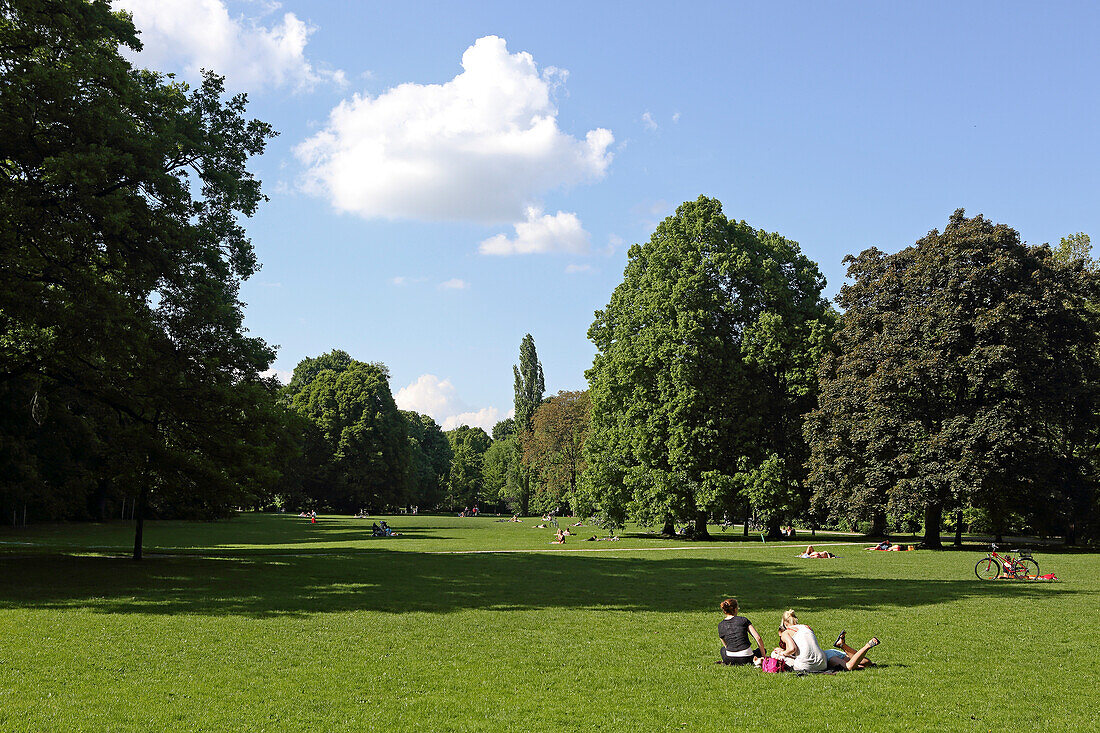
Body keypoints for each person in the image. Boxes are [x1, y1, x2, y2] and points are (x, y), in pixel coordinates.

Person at [717, 598, 766, 666]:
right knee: (761, 651)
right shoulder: (743, 620)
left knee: (723, 650)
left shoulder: (720, 625)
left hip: (730, 659)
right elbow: (758, 638)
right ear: (735, 609)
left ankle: (726, 661)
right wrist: (764, 656)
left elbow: (726, 645)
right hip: (746, 658)